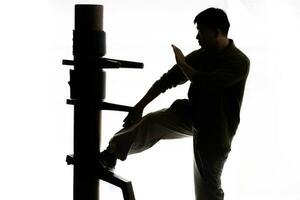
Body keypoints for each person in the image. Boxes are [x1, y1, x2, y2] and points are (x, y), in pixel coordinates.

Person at [98, 7, 250, 200]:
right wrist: (140, 106)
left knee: (208, 192)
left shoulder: (239, 62)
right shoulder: (200, 55)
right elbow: (166, 81)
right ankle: (111, 154)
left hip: (216, 132)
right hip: (191, 114)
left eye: (201, 31)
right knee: (152, 121)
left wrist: (183, 65)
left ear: (217, 32)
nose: (197, 37)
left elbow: (207, 82)